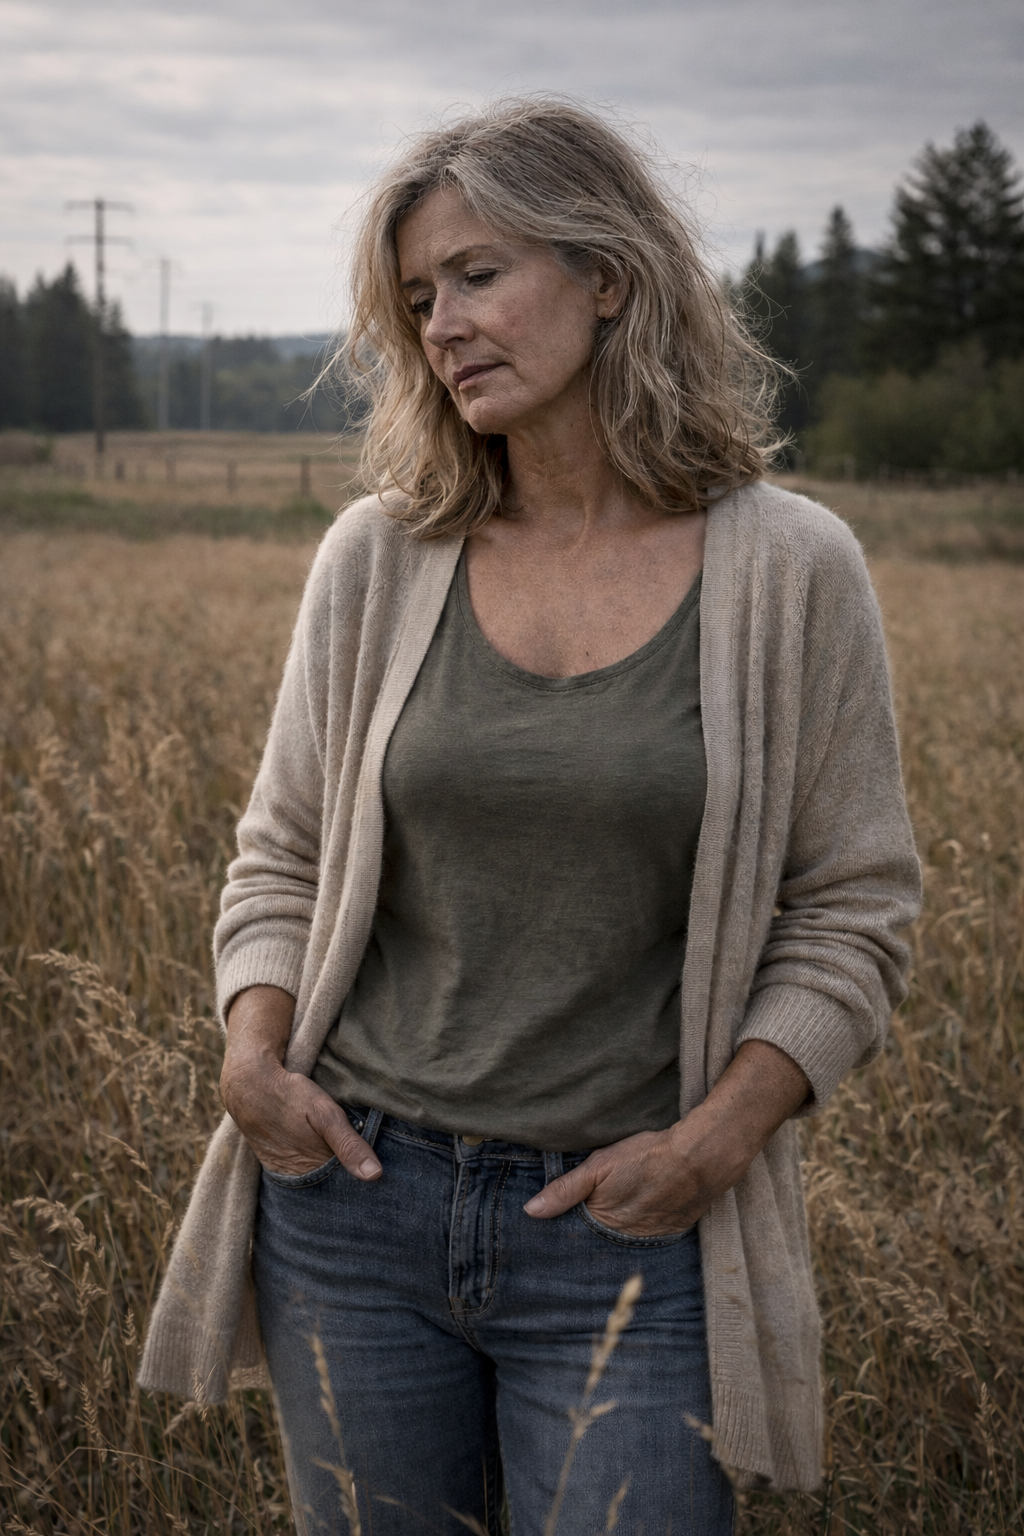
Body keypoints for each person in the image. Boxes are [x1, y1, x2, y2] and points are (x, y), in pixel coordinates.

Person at [139, 99, 921, 1535]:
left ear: (608, 276)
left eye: (478, 275)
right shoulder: (379, 558)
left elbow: (854, 909)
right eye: (418, 299)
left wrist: (714, 1145)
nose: (442, 326)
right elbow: (283, 856)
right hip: (354, 1207)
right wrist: (253, 1062)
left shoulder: (791, 571)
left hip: (634, 1228)